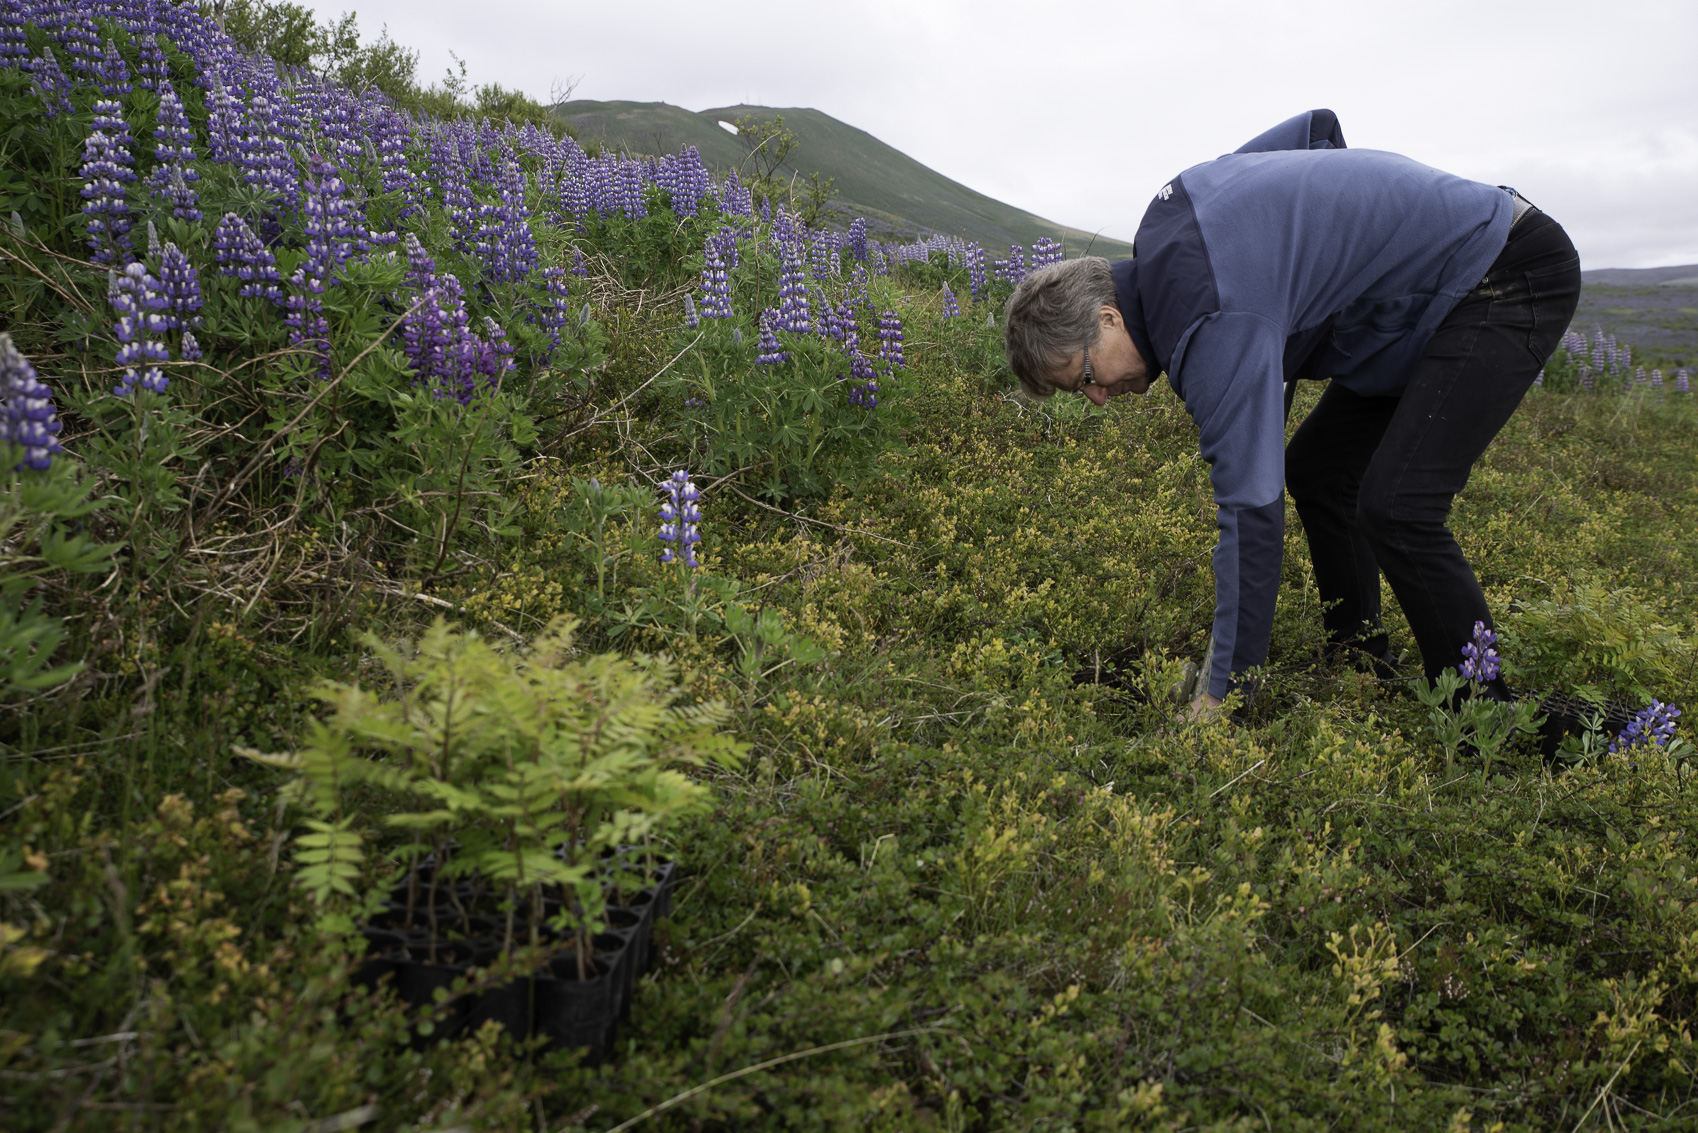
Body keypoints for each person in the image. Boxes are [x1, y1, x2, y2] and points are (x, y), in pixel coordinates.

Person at [1003, 109, 1581, 715]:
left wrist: (1223, 696)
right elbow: (1316, 131)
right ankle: (1359, 660)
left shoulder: (1210, 325)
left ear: (1107, 318)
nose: (1097, 399)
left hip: (1504, 272)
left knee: (1399, 505)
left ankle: (1483, 715)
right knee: (1319, 472)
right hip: (1421, 304)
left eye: (1086, 378)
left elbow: (1250, 516)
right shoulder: (1169, 219)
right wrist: (1338, 261)